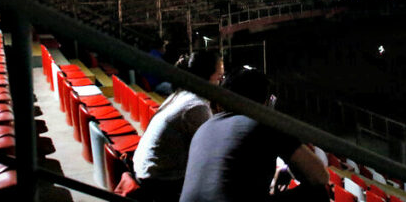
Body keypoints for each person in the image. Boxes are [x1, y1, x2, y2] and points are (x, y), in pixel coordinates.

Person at [179, 68, 329, 202]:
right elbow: (320, 176)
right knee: (318, 193)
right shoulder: (265, 124)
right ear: (264, 102)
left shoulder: (205, 127)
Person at [133, 50, 225, 202]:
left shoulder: (182, 93)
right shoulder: (197, 106)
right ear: (206, 76)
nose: (221, 82)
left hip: (144, 169)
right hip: (158, 180)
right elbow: (212, 153)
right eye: (219, 76)